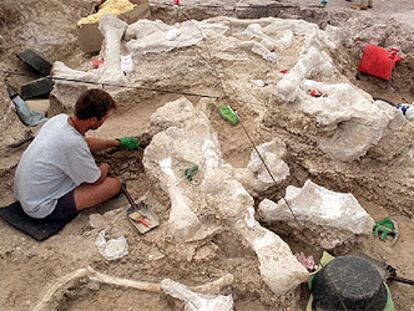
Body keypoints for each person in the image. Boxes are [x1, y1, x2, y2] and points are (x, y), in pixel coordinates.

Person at [14, 88, 139, 222]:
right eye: (105, 118)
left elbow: (83, 143)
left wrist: (116, 143)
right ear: (93, 120)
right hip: (41, 207)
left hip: (25, 194)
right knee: (114, 185)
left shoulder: (59, 120)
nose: (104, 122)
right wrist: (105, 167)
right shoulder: (72, 143)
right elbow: (96, 179)